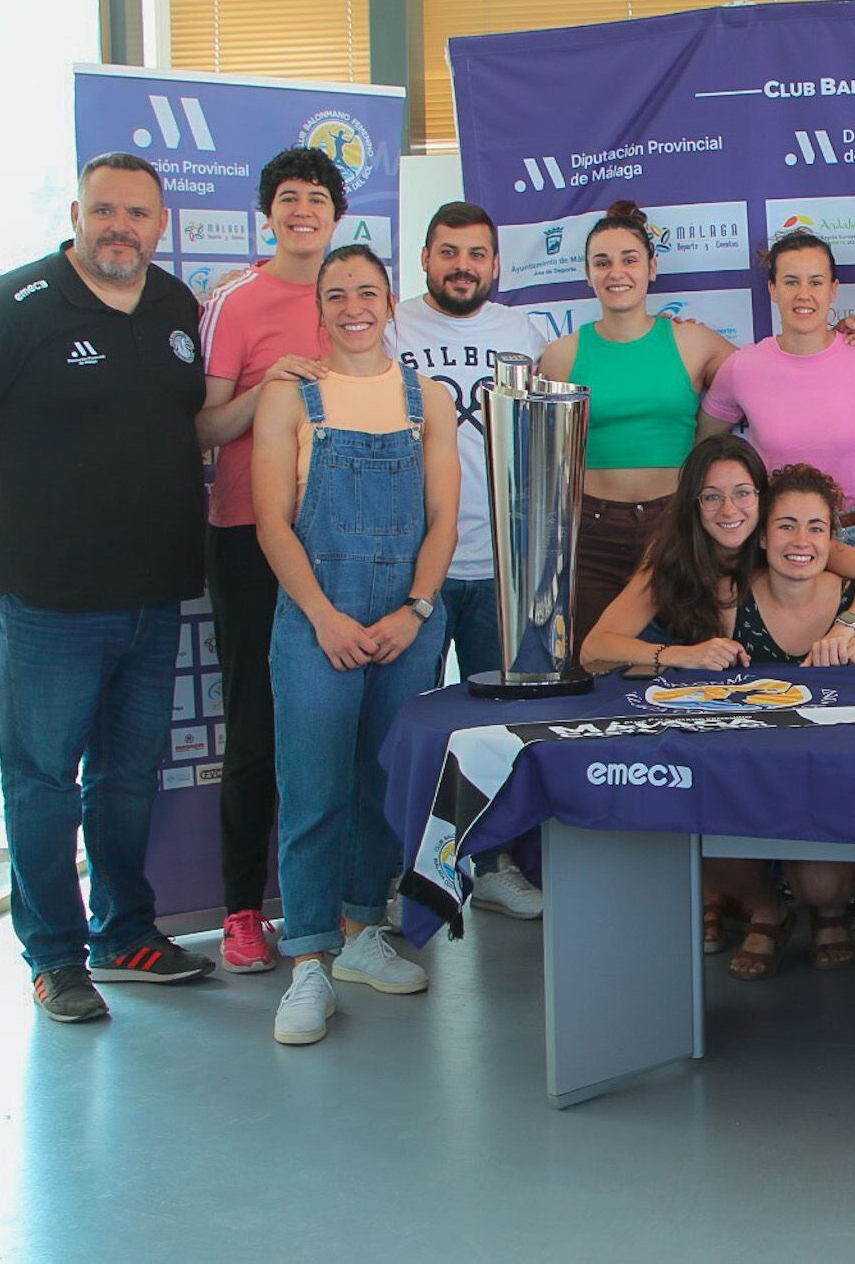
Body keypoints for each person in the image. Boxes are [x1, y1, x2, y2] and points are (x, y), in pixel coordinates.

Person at [0, 152, 217, 1021]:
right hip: (44, 601)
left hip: (152, 592)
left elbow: (183, 425)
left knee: (126, 779)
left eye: (137, 214)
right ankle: (53, 955)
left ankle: (124, 933)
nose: (119, 226)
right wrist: (7, 515)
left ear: (163, 226)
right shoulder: (14, 306)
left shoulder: (174, 305)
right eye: (104, 210)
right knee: (43, 781)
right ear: (78, 214)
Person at [580, 437, 855, 973]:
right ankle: (755, 902)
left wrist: (851, 632)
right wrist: (683, 654)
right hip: (731, 718)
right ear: (691, 503)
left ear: (763, 497)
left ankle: (825, 900)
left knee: (820, 876)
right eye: (711, 497)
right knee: (708, 807)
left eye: (742, 494)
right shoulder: (683, 563)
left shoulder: (792, 539)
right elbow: (595, 651)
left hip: (815, 744)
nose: (729, 510)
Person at [250, 245, 460, 1046]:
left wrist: (415, 609)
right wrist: (324, 618)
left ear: (389, 302)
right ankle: (308, 960)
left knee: (380, 780)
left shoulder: (426, 398)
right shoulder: (289, 396)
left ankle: (364, 930)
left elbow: (442, 520)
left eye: (366, 292)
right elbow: (273, 523)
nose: (352, 307)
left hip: (406, 621)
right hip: (317, 617)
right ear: (320, 307)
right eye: (336, 294)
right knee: (313, 788)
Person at [193, 147, 346, 974]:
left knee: (338, 729)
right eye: (287, 197)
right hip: (251, 536)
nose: (302, 210)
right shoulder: (239, 303)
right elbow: (206, 430)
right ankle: (243, 911)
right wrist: (268, 390)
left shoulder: (355, 297)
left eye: (317, 198)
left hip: (343, 542)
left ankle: (339, 906)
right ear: (268, 212)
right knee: (256, 731)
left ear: (336, 214)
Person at [387, 200, 547, 922]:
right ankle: (405, 874)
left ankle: (493, 862)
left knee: (494, 733)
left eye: (476, 253)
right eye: (448, 252)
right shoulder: (390, 326)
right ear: (425, 259)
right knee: (408, 725)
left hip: (503, 566)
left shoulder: (523, 332)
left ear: (495, 264)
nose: (462, 266)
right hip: (415, 567)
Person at [538, 200, 736, 644]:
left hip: (676, 526)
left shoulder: (693, 341)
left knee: (694, 663)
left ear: (652, 267)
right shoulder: (561, 355)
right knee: (594, 663)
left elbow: (771, 380)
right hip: (591, 532)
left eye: (629, 259)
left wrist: (849, 334)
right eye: (602, 262)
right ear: (588, 274)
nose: (616, 272)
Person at [700, 231, 855, 555]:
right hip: (778, 534)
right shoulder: (743, 366)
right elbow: (705, 446)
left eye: (816, 282)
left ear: (833, 290)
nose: (803, 294)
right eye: (791, 282)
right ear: (773, 290)